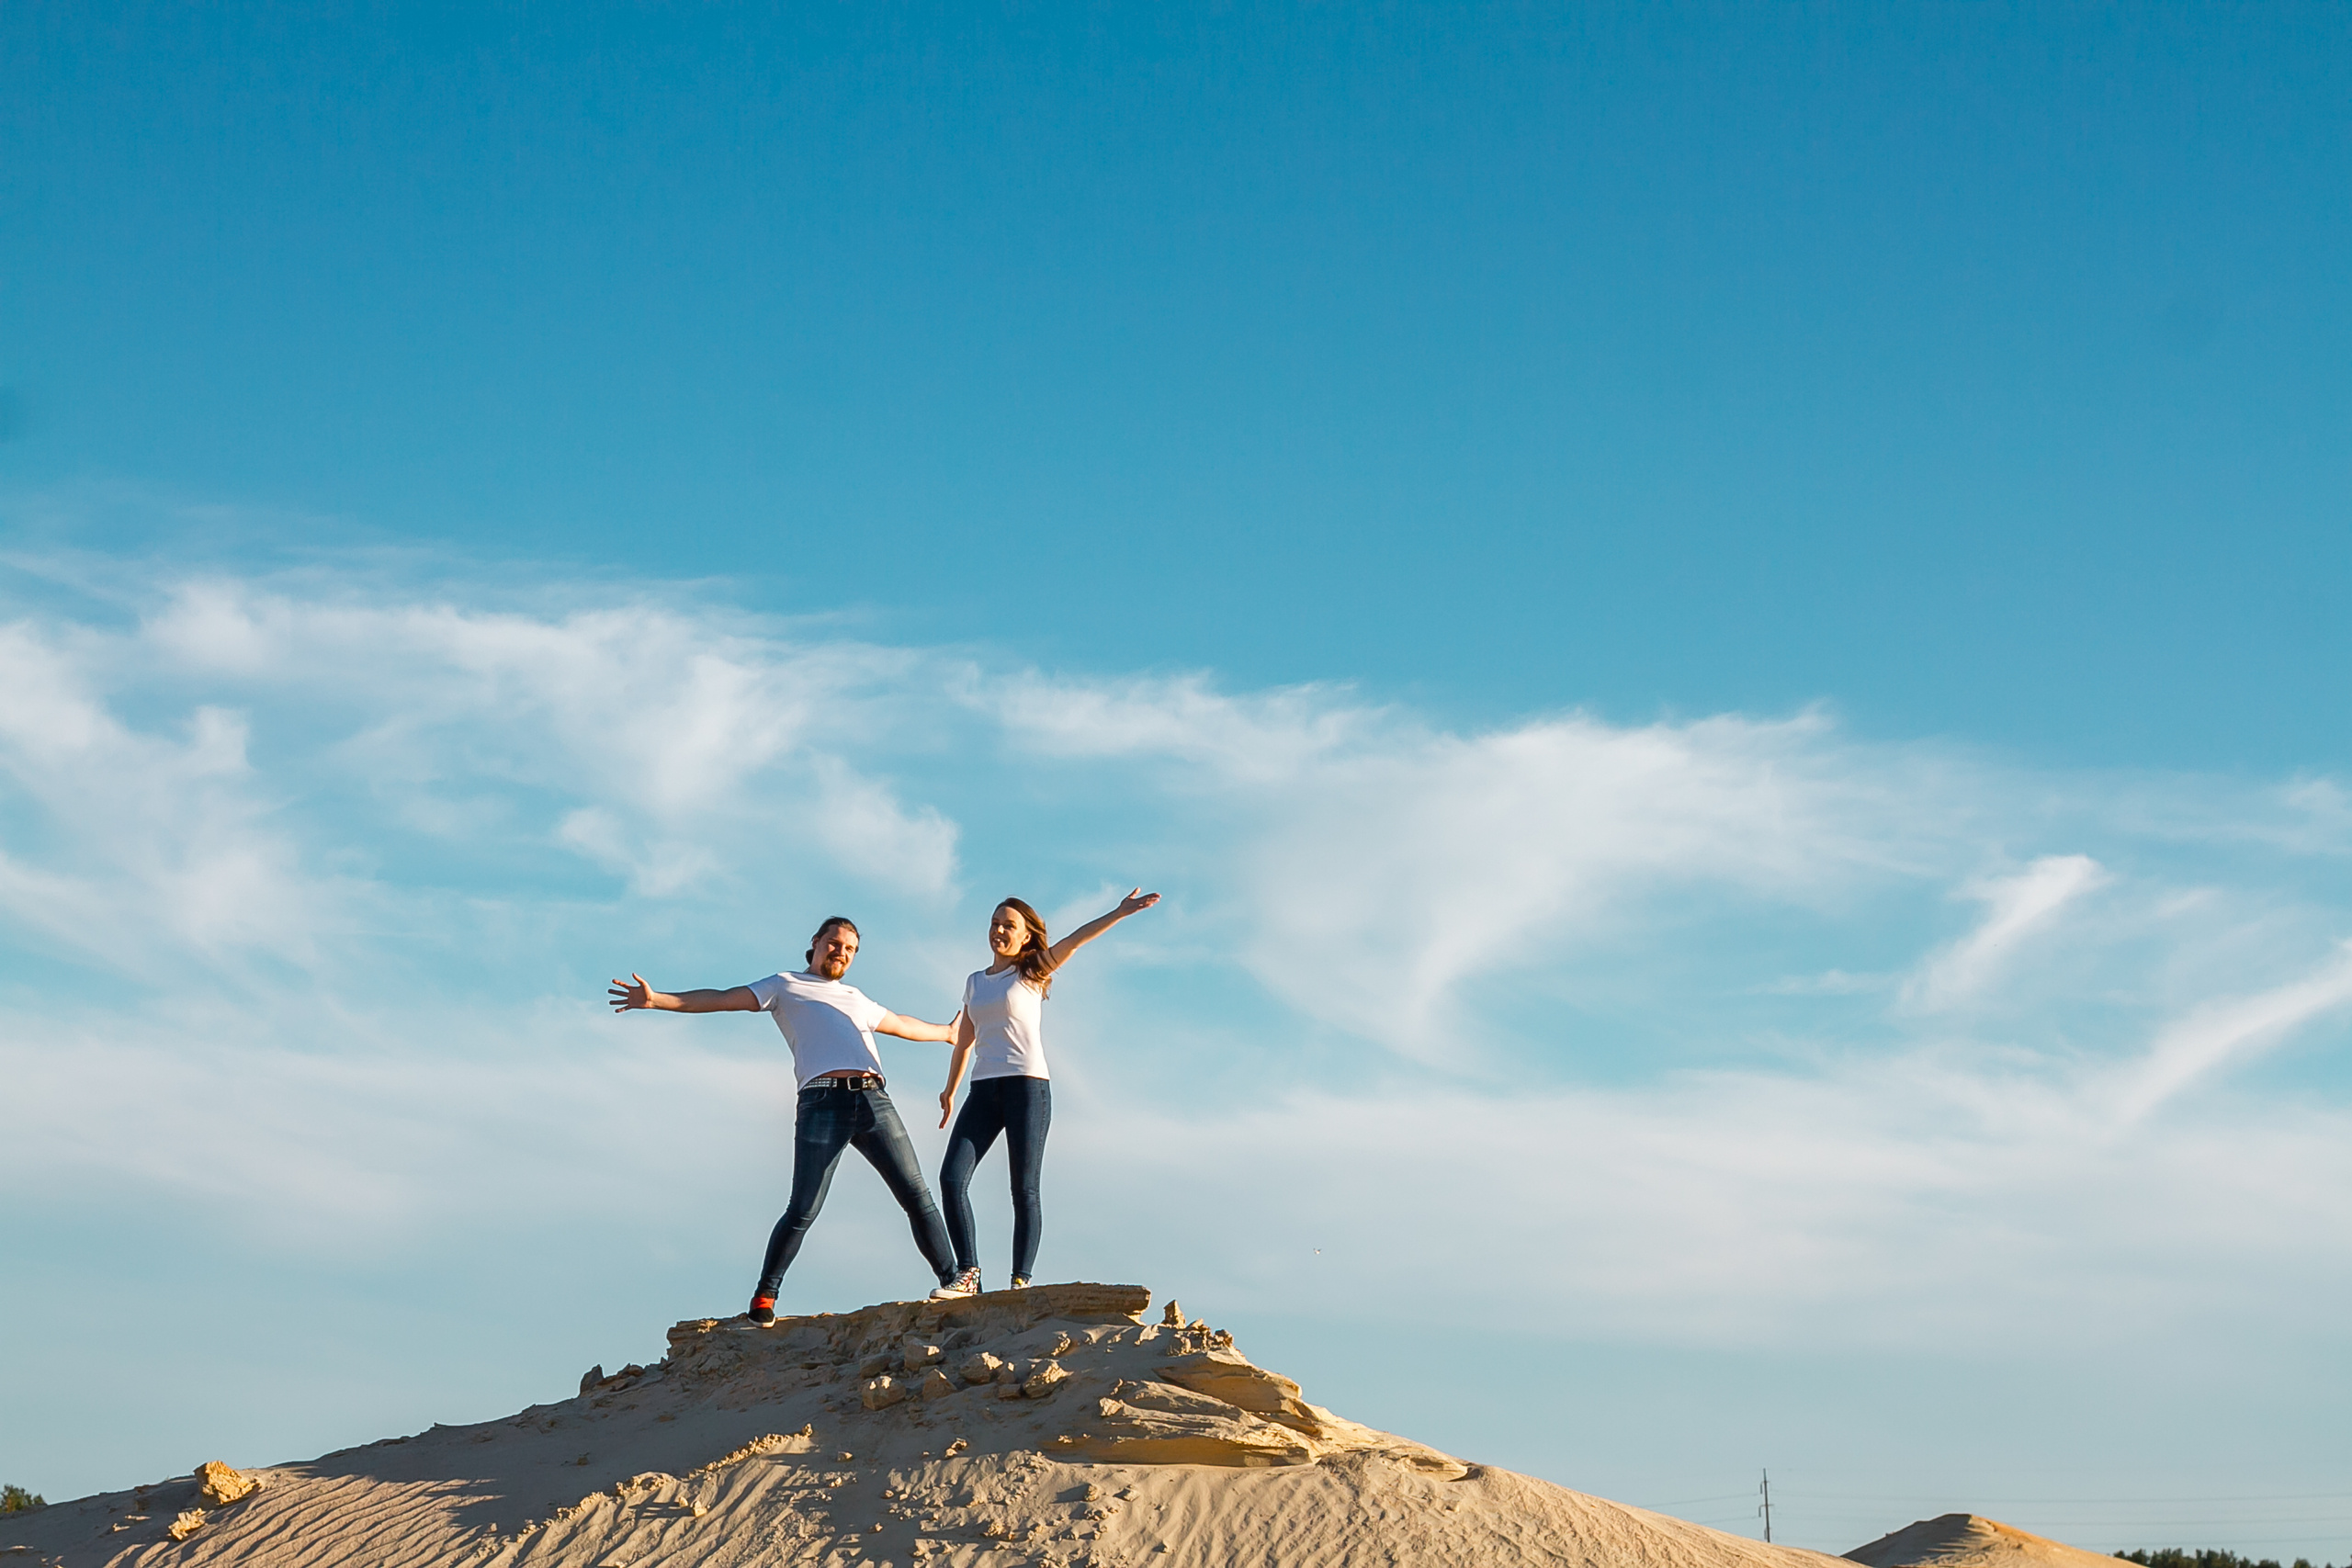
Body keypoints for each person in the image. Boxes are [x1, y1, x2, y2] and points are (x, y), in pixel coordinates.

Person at [607, 916, 963, 1325]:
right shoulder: (785, 984)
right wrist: (658, 1000)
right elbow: (723, 998)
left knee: (916, 1194)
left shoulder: (856, 997)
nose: (841, 952)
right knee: (803, 1207)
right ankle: (765, 1296)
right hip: (821, 1101)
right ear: (815, 943)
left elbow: (901, 1025)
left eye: (849, 949)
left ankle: (953, 1281)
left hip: (873, 1100)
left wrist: (948, 1033)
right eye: (834, 943)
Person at [929, 888, 1160, 1297]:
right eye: (995, 923)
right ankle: (968, 1274)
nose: (1000, 930)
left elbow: (1076, 939)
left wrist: (1119, 913)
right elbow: (964, 1039)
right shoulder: (974, 983)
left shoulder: (1032, 970)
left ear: (1026, 937)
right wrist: (950, 1090)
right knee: (951, 1178)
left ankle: (1020, 1281)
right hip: (983, 1090)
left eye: (1009, 926)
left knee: (1024, 1187)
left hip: (1028, 1087)